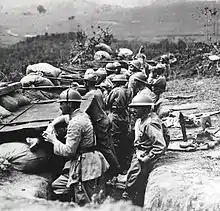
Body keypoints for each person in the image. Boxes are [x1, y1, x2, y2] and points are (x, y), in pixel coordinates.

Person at [43, 88, 109, 205]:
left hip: (86, 166)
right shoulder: (81, 115)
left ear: (69, 104)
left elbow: (69, 152)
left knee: (87, 201)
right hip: (89, 160)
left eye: (62, 103)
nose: (60, 106)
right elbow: (64, 118)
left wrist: (53, 140)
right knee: (58, 186)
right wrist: (52, 124)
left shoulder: (76, 123)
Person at [122, 94, 167, 207]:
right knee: (134, 179)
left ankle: (129, 202)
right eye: (133, 107)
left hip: (144, 156)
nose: (133, 110)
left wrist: (147, 158)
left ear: (146, 109)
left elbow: (160, 145)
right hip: (139, 152)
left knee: (133, 181)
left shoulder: (150, 123)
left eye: (137, 108)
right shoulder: (141, 120)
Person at [82, 69, 122, 176]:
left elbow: (82, 109)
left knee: (105, 148)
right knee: (110, 145)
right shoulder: (98, 91)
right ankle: (117, 166)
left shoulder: (89, 95)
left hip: (99, 123)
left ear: (86, 82)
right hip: (105, 119)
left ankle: (116, 169)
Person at [106, 74, 130, 170]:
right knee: (123, 140)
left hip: (116, 115)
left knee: (114, 140)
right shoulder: (128, 90)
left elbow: (107, 102)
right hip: (124, 115)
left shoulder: (116, 91)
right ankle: (124, 162)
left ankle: (117, 165)